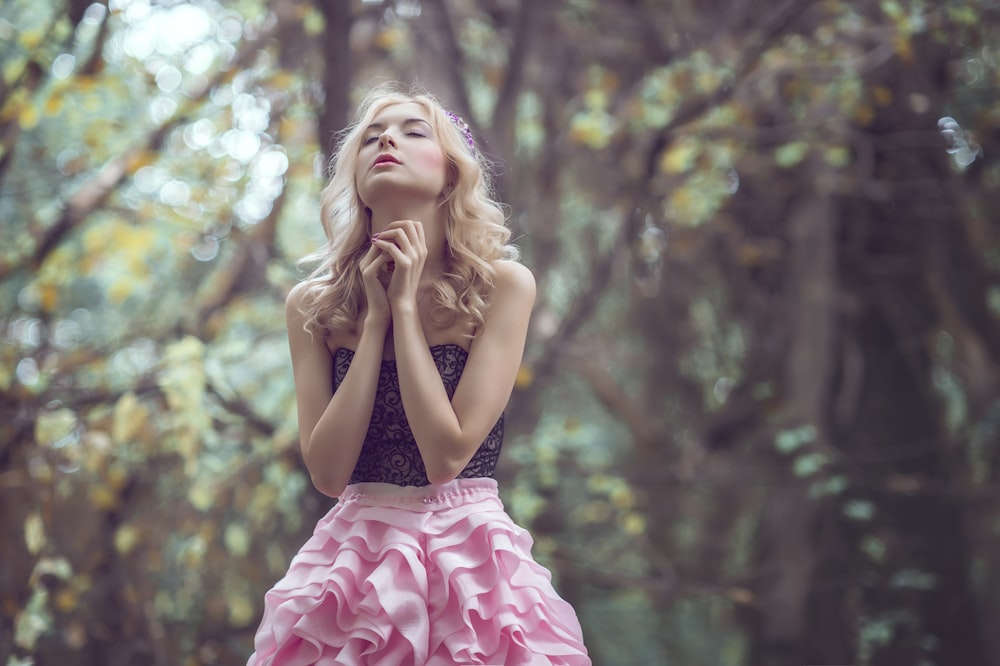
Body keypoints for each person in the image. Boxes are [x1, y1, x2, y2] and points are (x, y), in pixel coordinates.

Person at [247, 83, 590, 665]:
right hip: (353, 565)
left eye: (414, 130)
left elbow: (446, 458)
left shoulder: (502, 286)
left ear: (452, 175)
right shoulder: (312, 305)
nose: (387, 139)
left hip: (471, 565)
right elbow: (329, 473)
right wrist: (376, 316)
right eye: (372, 136)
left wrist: (405, 310)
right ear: (354, 176)